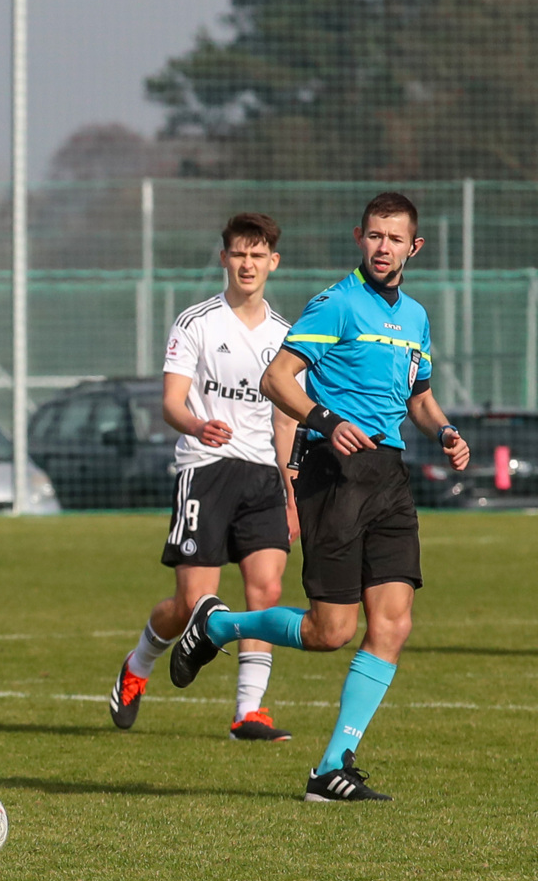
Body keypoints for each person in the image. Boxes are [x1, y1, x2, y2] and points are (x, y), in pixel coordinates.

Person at [169, 192, 470, 801]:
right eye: (374, 237)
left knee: (394, 622)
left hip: (388, 476)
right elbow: (275, 378)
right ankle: (220, 627)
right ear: (360, 237)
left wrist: (444, 430)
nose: (383, 248)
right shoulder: (335, 304)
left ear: (414, 248)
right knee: (330, 631)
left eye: (395, 239)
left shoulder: (414, 317)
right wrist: (327, 420)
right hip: (334, 472)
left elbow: (419, 396)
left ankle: (332, 767)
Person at [110, 213, 299, 741]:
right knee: (193, 604)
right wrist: (197, 424)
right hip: (206, 470)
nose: (248, 264)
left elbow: (285, 419)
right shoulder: (197, 322)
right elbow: (171, 403)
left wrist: (292, 493)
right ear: (224, 259)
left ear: (273, 263)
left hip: (263, 475)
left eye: (258, 255)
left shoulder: (287, 335)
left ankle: (248, 713)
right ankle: (139, 663)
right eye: (239, 253)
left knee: (266, 590)